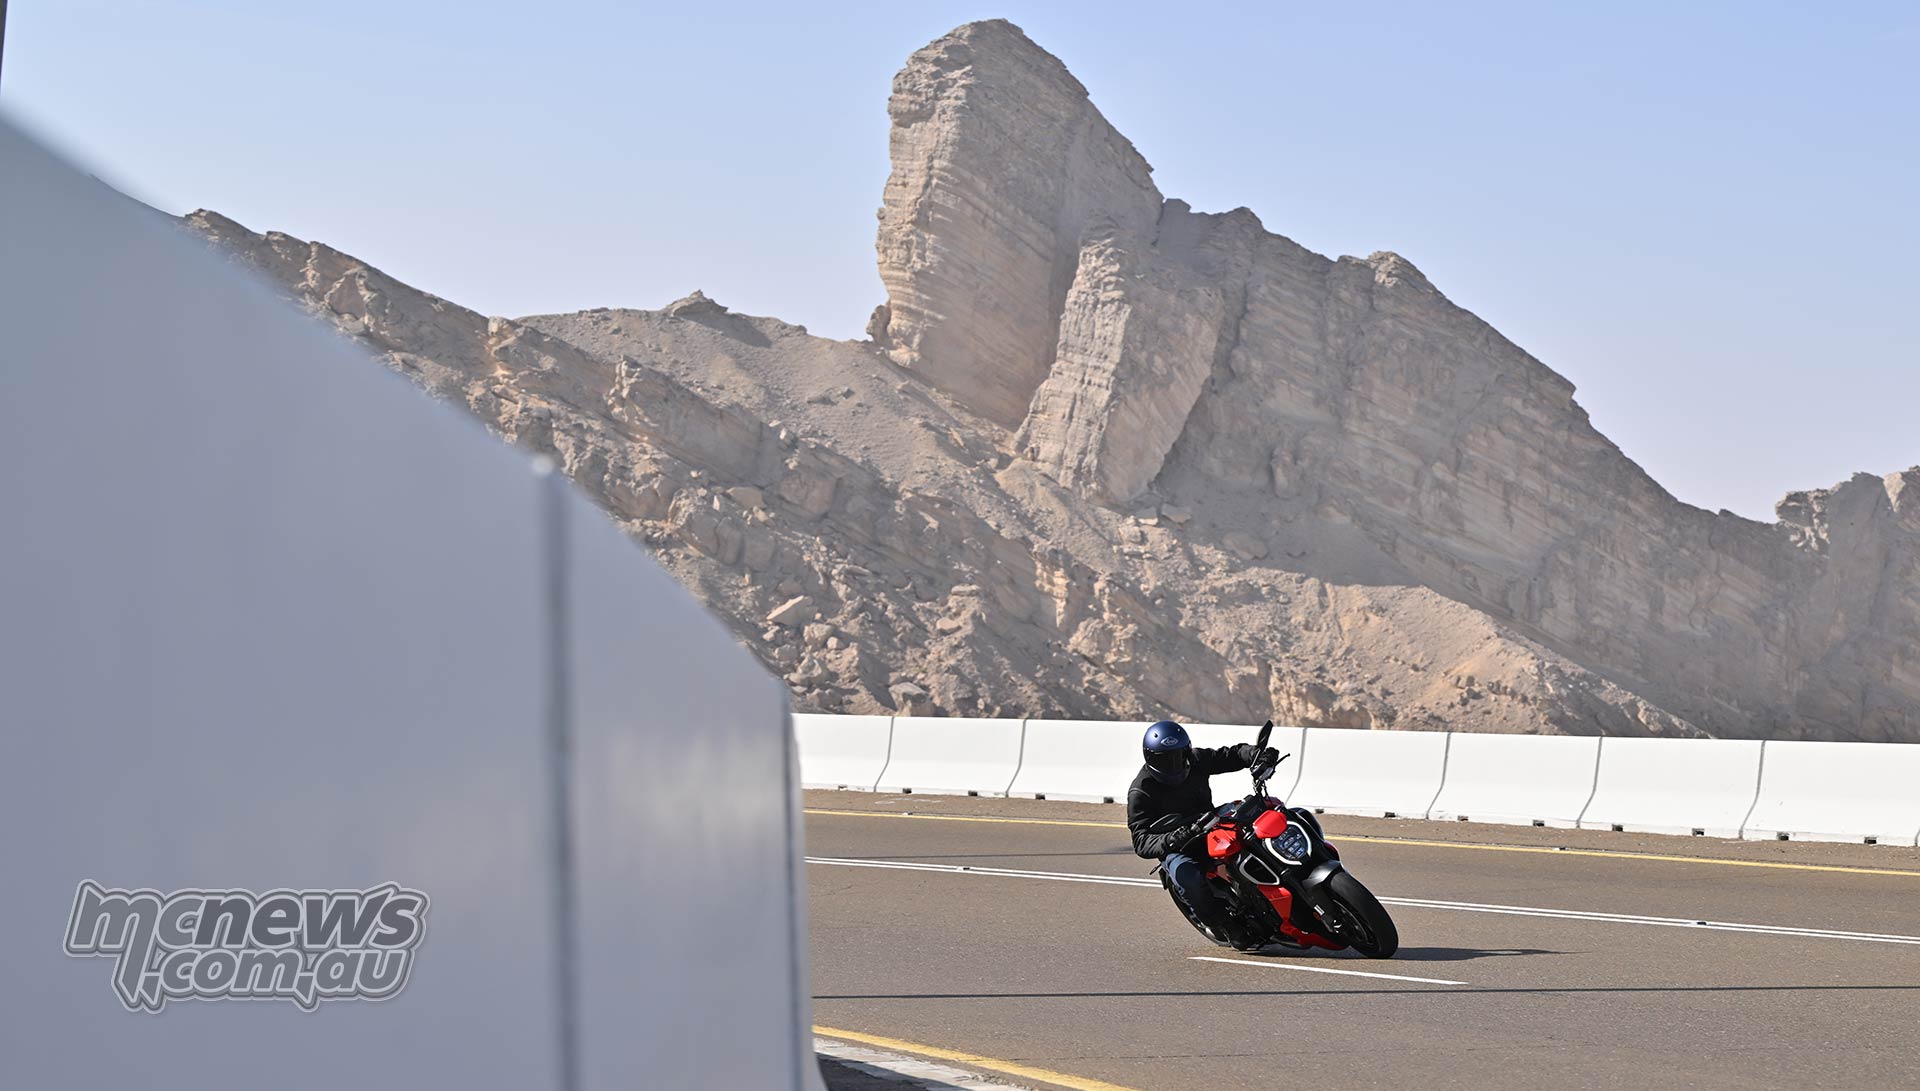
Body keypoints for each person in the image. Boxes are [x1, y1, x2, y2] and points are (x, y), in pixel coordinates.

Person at [1126, 719, 1279, 951]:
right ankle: (1227, 926)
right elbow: (1141, 840)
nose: (1174, 764)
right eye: (1165, 759)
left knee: (1261, 828)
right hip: (1179, 846)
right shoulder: (1141, 790)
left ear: (1187, 751)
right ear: (1150, 758)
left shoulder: (1196, 760)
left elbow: (1231, 755)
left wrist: (1257, 756)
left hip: (1212, 825)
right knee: (1188, 877)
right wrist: (1173, 838)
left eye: (1179, 756)